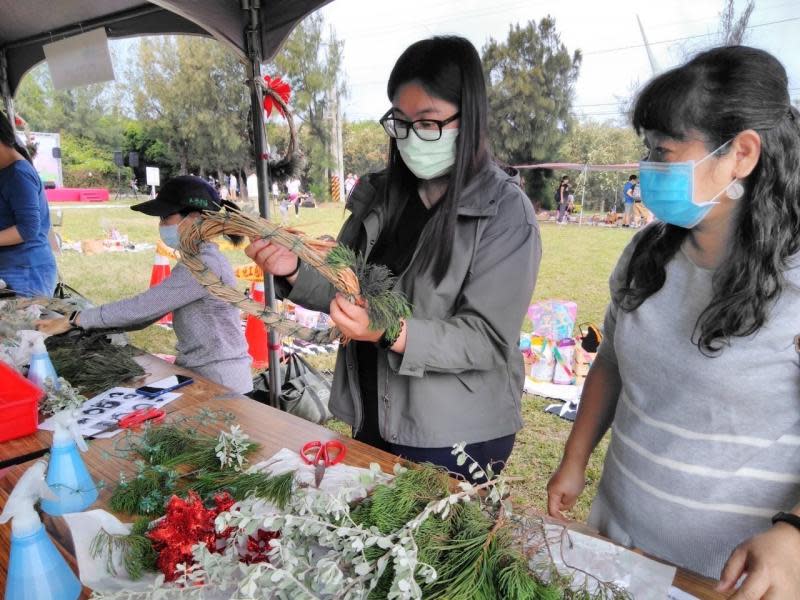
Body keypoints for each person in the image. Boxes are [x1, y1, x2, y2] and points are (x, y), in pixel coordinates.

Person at [546, 46, 800, 596]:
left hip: (724, 579)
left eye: (664, 151)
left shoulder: (796, 283)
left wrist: (796, 535)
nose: (648, 168)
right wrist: (575, 458)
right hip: (616, 547)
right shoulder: (646, 254)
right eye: (648, 150)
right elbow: (611, 361)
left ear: (742, 154)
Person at [246, 36, 540, 479]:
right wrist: (293, 269)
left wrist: (389, 331)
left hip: (452, 435)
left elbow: (485, 339)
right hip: (372, 411)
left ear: (471, 118)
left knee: (429, 545)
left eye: (429, 122)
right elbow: (344, 281)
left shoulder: (504, 212)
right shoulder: (380, 194)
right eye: (400, 122)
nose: (412, 137)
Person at [37, 176, 253, 394]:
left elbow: (143, 308)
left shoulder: (204, 266)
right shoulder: (199, 259)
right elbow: (145, 315)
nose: (161, 225)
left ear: (196, 218)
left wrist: (75, 320)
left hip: (222, 382)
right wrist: (88, 325)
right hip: (205, 374)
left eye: (165, 217)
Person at [0, 113, 57, 297]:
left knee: (23, 325)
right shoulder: (6, 171)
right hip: (14, 268)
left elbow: (28, 228)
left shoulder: (18, 174)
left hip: (27, 272)